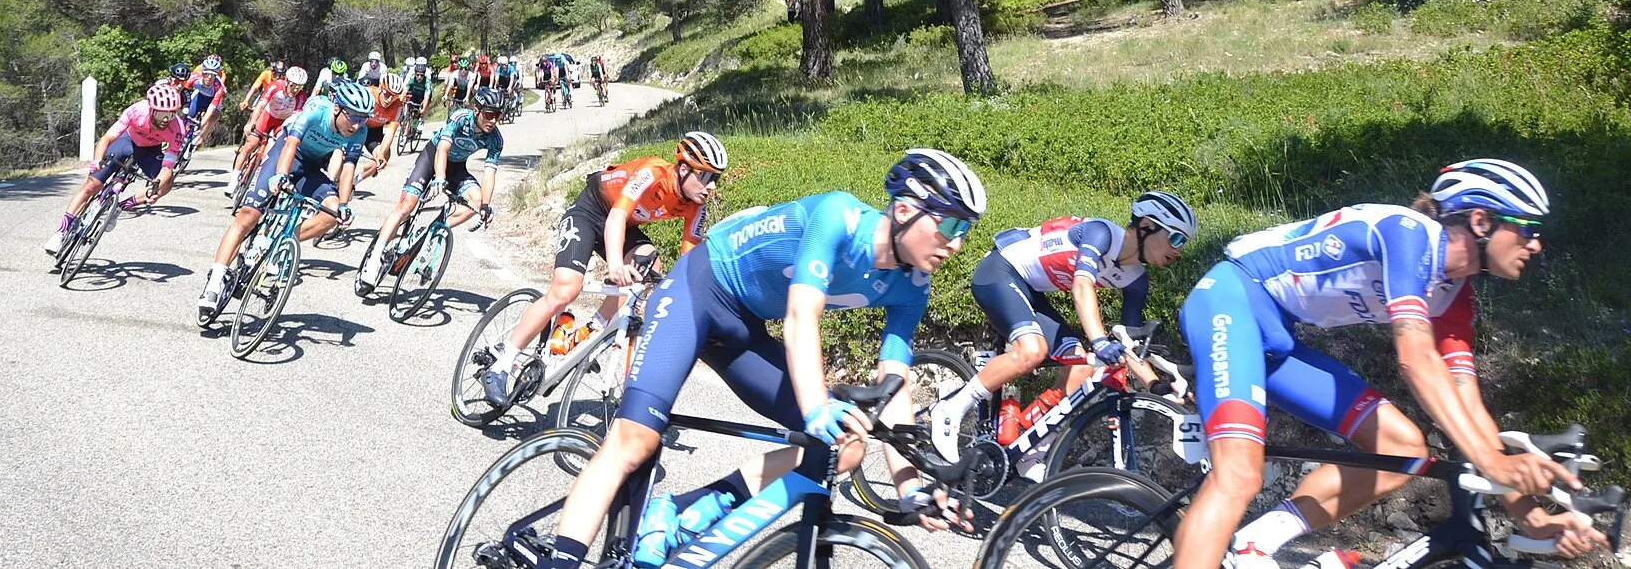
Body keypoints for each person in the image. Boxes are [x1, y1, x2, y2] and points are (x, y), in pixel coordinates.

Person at [534, 149, 986, 569]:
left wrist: (910, 487)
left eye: (965, 230)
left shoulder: (914, 284)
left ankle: (683, 515)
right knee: (634, 443)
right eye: (950, 226)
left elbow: (896, 381)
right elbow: (799, 317)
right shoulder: (839, 217)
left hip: (741, 327)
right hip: (697, 292)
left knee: (843, 450)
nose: (957, 243)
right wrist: (816, 408)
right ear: (905, 210)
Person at [1169, 159, 1601, 569]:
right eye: (1527, 227)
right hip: (1229, 300)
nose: (1536, 243)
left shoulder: (1453, 296)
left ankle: (1255, 542)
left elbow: (1468, 405)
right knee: (1239, 476)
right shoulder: (1408, 233)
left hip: (1275, 339)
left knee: (1402, 448)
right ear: (1481, 221)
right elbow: (1416, 358)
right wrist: (1495, 465)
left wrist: (1533, 517)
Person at [933, 191, 1195, 463]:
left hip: (1029, 290)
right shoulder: (1101, 234)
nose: (1179, 250)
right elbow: (1081, 286)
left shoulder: (1136, 280)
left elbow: (1129, 343)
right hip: (1000, 271)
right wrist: (1100, 342)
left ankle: (1028, 451)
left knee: (1081, 366)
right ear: (1147, 226)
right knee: (1032, 350)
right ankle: (950, 410)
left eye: (1184, 243)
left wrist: (1155, 385)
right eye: (1176, 238)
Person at [479, 133, 729, 406]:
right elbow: (617, 216)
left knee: (650, 266)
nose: (712, 187)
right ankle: (502, 364)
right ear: (684, 169)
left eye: (717, 177)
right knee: (566, 289)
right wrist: (614, 265)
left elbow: (690, 257)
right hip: (590, 212)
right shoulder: (653, 173)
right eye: (707, 177)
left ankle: (587, 333)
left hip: (624, 227)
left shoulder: (696, 204)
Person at [194, 80, 375, 325]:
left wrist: (343, 203)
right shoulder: (317, 110)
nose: (356, 124)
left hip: (312, 169)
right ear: (337, 109)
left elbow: (349, 167)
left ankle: (283, 241)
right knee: (248, 216)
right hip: (286, 155)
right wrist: (279, 175)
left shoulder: (359, 131)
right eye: (353, 116)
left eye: (363, 119)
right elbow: (291, 144)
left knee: (332, 214)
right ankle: (215, 281)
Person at [354, 87, 506, 294]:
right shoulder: (460, 117)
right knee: (406, 206)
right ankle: (374, 258)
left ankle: (430, 231)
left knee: (476, 203)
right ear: (476, 109)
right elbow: (442, 149)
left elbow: (489, 175)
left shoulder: (495, 139)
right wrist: (440, 178)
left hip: (457, 167)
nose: (494, 121)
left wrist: (486, 206)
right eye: (489, 114)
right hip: (431, 157)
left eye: (498, 115)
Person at [44, 80, 184, 254]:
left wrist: (157, 184)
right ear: (151, 109)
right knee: (91, 185)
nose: (165, 120)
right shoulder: (137, 110)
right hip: (127, 141)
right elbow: (107, 138)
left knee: (167, 183)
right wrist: (97, 161)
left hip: (150, 151)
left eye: (170, 114)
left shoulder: (177, 128)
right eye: (162, 114)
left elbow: (168, 167)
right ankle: (60, 232)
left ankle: (120, 207)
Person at [226, 64, 308, 199]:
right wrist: (251, 123)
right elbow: (261, 105)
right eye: (293, 85)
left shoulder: (301, 97)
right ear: (287, 81)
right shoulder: (275, 86)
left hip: (282, 122)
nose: (295, 90)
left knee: (280, 148)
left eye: (299, 87)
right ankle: (234, 180)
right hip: (267, 117)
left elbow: (295, 118)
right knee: (250, 145)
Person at [354, 73, 407, 184]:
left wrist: (381, 154)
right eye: (387, 94)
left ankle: (354, 182)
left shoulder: (398, 107)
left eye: (394, 96)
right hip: (358, 126)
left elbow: (390, 133)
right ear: (380, 88)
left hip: (374, 132)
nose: (389, 99)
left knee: (383, 158)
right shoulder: (368, 93)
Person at [180, 54, 229, 145]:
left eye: (213, 75)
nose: (209, 77)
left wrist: (201, 125)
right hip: (200, 94)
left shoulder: (220, 81)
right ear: (202, 72)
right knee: (187, 113)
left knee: (214, 116)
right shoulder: (196, 73)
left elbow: (211, 110)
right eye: (206, 74)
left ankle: (202, 137)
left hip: (213, 97)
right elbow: (182, 91)